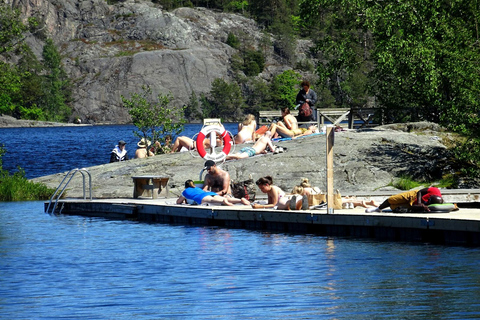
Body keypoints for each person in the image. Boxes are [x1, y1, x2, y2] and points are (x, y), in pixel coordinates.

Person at [365, 187, 444, 213]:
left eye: (429, 203)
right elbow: (420, 191)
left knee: (394, 207)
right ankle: (378, 208)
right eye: (428, 200)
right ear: (431, 196)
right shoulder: (434, 190)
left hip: (414, 205)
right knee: (392, 200)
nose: (427, 201)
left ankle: (389, 208)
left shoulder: (437, 203)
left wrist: (423, 207)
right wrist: (420, 202)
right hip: (414, 195)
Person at [176, 179, 250, 206]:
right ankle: (240, 200)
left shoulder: (185, 191)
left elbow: (178, 202)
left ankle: (224, 201)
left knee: (212, 200)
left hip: (200, 197)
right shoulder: (197, 188)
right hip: (209, 193)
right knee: (217, 198)